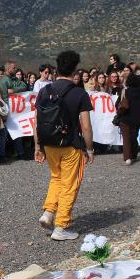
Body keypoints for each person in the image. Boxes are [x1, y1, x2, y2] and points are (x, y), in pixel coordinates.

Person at [34, 51, 94, 241]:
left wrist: (37, 146)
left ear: (56, 67)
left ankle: (48, 212)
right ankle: (61, 226)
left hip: (49, 143)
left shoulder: (45, 90)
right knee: (69, 184)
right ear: (75, 70)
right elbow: (85, 125)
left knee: (56, 178)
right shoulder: (79, 93)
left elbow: (37, 121)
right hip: (71, 145)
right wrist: (90, 148)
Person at [0, 60, 30, 159]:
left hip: (16, 112)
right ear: (8, 69)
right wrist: (5, 113)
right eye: (14, 68)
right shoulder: (3, 81)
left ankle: (20, 152)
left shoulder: (15, 79)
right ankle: (1, 154)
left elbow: (24, 86)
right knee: (4, 133)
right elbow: (4, 98)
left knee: (17, 132)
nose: (15, 69)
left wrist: (13, 90)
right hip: (8, 111)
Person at [117, 74, 140, 165]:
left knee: (126, 138)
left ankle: (127, 157)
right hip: (137, 119)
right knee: (134, 137)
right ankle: (134, 155)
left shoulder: (125, 91)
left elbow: (118, 104)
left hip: (125, 117)